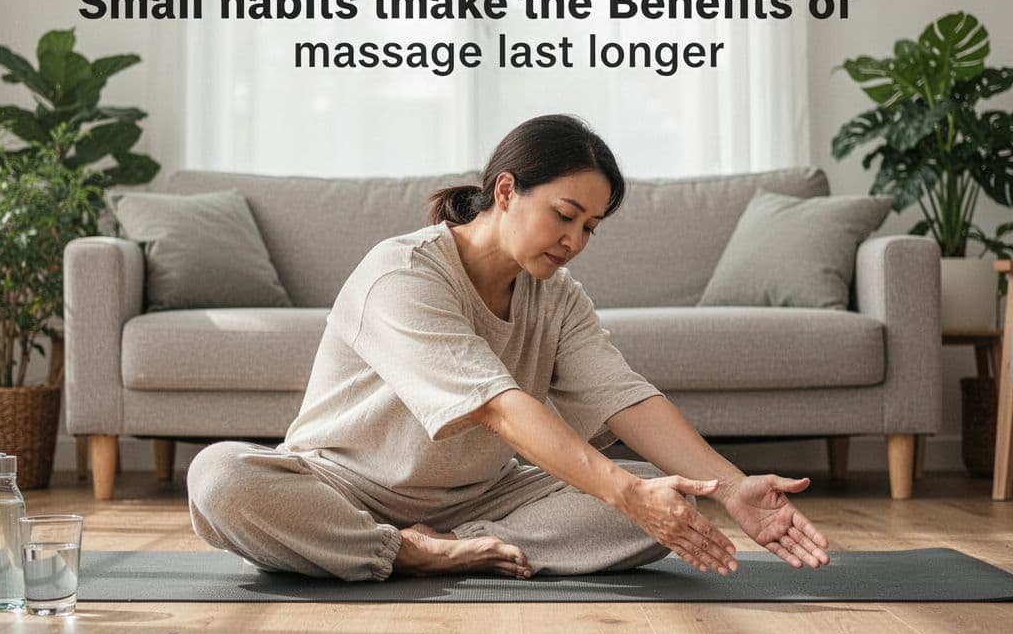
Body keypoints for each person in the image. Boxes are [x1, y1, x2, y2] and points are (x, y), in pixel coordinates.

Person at [187, 114, 830, 582]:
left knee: (671, 500)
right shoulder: (402, 273)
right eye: (564, 213)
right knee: (219, 478)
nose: (574, 239)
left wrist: (732, 487)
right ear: (504, 191)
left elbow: (623, 396)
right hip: (343, 485)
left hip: (487, 495)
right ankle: (398, 548)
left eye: (590, 228)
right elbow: (497, 407)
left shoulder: (556, 294)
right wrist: (625, 495)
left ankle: (454, 545)